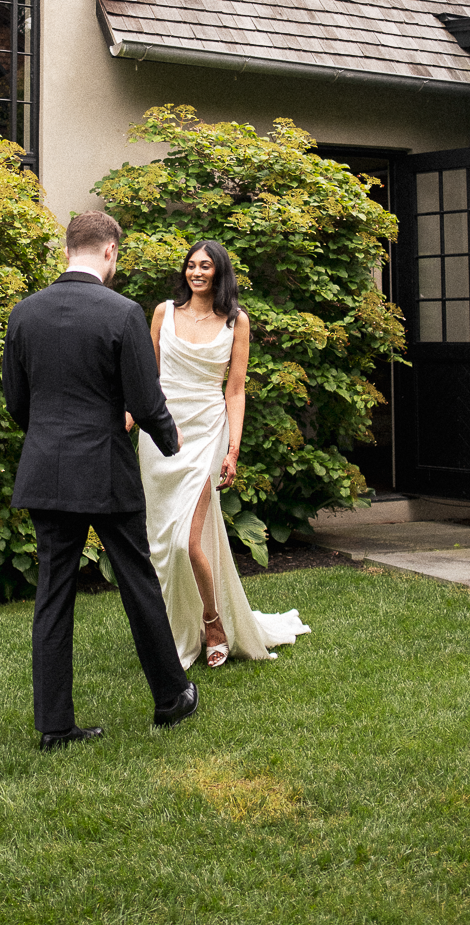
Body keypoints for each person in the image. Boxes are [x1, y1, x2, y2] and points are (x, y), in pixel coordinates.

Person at [2, 210, 199, 751]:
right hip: (106, 470)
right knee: (137, 580)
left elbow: (16, 400)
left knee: (52, 595)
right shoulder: (122, 312)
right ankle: (171, 697)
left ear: (69, 249)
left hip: (46, 469)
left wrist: (48, 439)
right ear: (110, 251)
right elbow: (146, 399)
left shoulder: (25, 313)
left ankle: (55, 726)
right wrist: (172, 442)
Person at [135, 240, 310, 670]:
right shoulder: (163, 313)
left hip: (207, 435)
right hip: (160, 436)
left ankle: (213, 622)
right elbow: (146, 378)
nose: (196, 272)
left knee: (185, 542)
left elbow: (235, 390)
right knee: (162, 544)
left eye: (205, 266)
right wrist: (128, 414)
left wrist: (233, 449)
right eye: (191, 265)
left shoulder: (236, 321)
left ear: (219, 272)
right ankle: (171, 629)